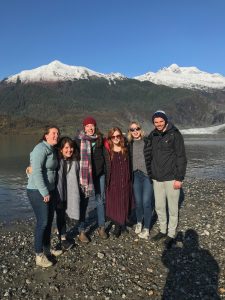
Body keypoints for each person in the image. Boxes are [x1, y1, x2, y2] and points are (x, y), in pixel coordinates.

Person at [146, 110, 187, 248]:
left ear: (166, 121)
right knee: (159, 206)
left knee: (173, 208)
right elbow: (149, 155)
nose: (158, 124)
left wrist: (179, 178)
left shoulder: (175, 134)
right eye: (156, 122)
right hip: (157, 178)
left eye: (160, 121)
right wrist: (151, 174)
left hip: (171, 178)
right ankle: (163, 230)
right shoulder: (153, 135)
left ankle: (171, 233)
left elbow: (181, 157)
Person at [27, 125, 60, 268]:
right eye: (53, 133)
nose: (56, 136)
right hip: (37, 191)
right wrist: (44, 192)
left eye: (58, 134)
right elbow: (37, 172)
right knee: (43, 222)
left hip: (49, 191)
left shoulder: (51, 149)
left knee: (48, 221)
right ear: (46, 135)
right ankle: (38, 255)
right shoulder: (40, 149)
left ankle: (47, 250)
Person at [74, 116, 107, 242]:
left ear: (95, 126)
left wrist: (107, 172)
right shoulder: (78, 141)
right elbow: (67, 152)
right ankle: (81, 231)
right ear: (84, 127)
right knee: (84, 202)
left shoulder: (100, 140)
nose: (90, 128)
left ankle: (101, 227)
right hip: (85, 176)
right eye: (87, 126)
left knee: (100, 201)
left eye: (92, 125)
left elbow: (106, 157)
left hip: (99, 174)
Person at [127, 121, 153, 239]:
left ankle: (146, 228)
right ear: (130, 132)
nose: (135, 131)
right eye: (132, 129)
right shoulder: (129, 144)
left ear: (140, 129)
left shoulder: (148, 142)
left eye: (137, 128)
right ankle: (139, 222)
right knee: (138, 202)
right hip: (135, 175)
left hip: (147, 175)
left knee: (146, 202)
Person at [105, 127, 133, 238]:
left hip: (125, 180)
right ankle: (117, 226)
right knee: (115, 204)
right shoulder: (108, 150)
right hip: (113, 181)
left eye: (118, 136)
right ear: (110, 138)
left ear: (121, 136)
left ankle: (123, 223)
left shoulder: (125, 148)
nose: (116, 138)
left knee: (124, 201)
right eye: (113, 136)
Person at [55, 136, 80, 250]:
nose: (69, 150)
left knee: (64, 215)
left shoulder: (75, 161)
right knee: (60, 215)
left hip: (69, 194)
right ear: (60, 149)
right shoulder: (56, 160)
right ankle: (62, 238)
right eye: (66, 147)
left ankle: (61, 234)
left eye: (71, 147)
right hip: (58, 193)